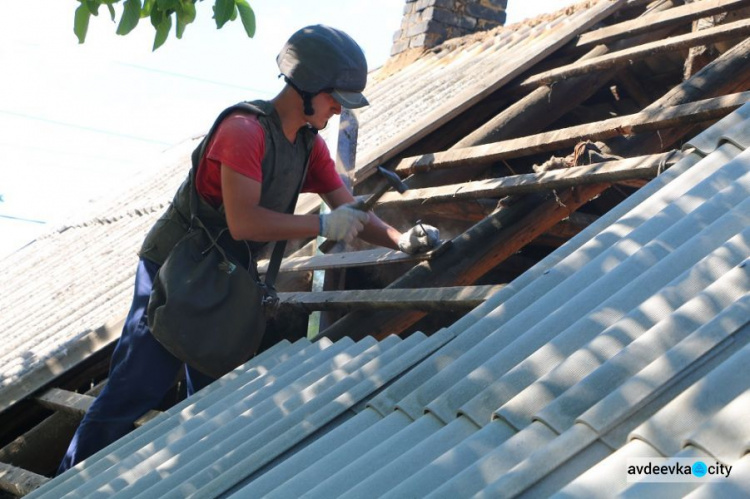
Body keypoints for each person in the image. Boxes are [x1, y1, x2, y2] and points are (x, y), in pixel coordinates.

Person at [57, 24, 439, 474]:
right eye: (336, 97)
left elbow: (346, 209)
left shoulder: (307, 145)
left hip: (226, 270)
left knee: (216, 394)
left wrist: (400, 241)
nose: (339, 109)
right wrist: (320, 223)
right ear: (308, 89)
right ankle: (66, 481)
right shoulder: (243, 130)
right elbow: (244, 223)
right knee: (135, 386)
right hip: (178, 265)